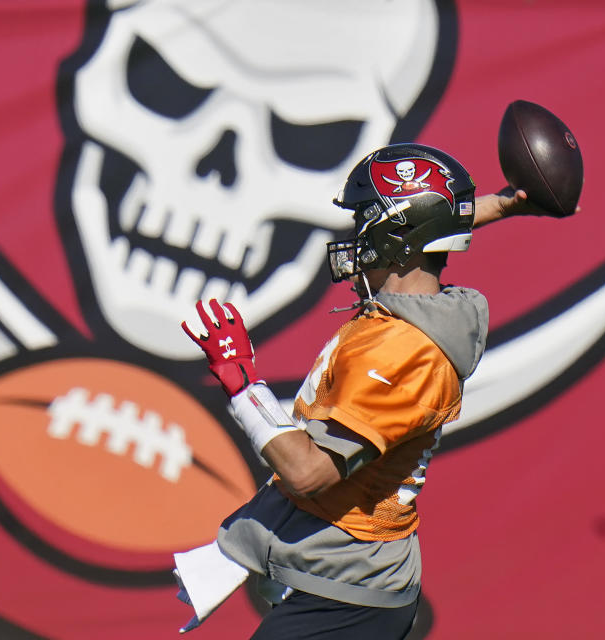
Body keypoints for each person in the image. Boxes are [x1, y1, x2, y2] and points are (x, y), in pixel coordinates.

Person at [177, 143, 561, 639]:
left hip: (348, 590)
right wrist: (505, 204)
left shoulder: (403, 352)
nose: (356, 236)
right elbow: (428, 228)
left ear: (395, 236)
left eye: (366, 221)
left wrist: (242, 385)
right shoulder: (417, 307)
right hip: (335, 570)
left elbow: (309, 472)